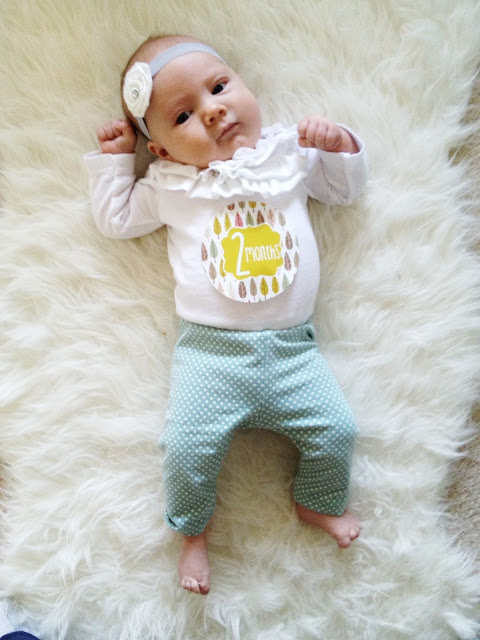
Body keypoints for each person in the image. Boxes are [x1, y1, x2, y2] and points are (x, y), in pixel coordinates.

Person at [84, 33, 368, 595]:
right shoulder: (170, 184)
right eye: (183, 116)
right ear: (162, 151)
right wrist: (117, 161)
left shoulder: (288, 156)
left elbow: (344, 192)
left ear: (244, 84)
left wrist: (338, 145)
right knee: (186, 449)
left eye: (219, 87)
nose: (212, 110)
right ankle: (192, 532)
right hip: (209, 356)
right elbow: (115, 219)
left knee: (338, 430)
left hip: (294, 352)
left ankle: (317, 501)